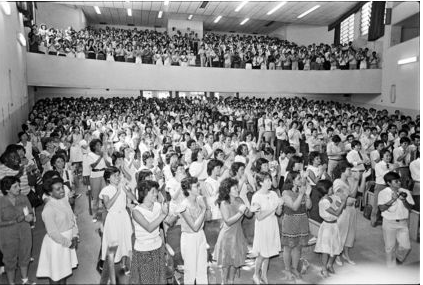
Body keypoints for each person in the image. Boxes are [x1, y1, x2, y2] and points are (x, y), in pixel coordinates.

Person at [36, 177, 78, 284]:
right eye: (58, 189)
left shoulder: (64, 201)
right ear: (50, 192)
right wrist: (68, 243)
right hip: (56, 243)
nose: (62, 190)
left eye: (62, 187)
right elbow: (52, 232)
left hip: (68, 240)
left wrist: (75, 236)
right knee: (55, 275)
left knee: (64, 272)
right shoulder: (48, 209)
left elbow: (72, 220)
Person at [214, 178, 252, 285]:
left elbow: (249, 215)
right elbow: (228, 221)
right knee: (226, 262)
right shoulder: (223, 203)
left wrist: (250, 210)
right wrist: (240, 212)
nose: (237, 190)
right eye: (234, 188)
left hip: (237, 234)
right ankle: (224, 282)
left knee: (235, 261)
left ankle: (231, 281)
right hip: (227, 235)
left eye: (237, 187)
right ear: (228, 190)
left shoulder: (239, 200)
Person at [333, 162, 371, 266]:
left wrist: (363, 178)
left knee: (350, 233)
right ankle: (337, 255)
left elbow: (360, 190)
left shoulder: (349, 180)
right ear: (342, 171)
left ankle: (346, 254)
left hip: (352, 209)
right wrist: (357, 180)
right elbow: (352, 195)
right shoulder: (338, 182)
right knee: (341, 233)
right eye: (349, 170)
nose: (351, 172)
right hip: (343, 210)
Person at [130, 180, 168, 284]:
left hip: (158, 247)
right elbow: (149, 227)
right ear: (145, 193)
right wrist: (163, 215)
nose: (156, 194)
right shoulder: (136, 211)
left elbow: (162, 226)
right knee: (147, 281)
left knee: (160, 280)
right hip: (144, 251)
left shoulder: (157, 206)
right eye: (153, 192)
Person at [99, 167, 135, 275]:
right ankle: (111, 267)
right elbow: (108, 205)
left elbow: (133, 198)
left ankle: (124, 265)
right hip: (113, 219)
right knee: (113, 241)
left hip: (123, 216)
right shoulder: (106, 190)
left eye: (118, 175)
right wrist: (118, 192)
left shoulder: (123, 187)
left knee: (125, 239)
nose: (118, 177)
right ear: (108, 178)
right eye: (114, 175)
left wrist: (125, 190)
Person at [0, 176, 34, 285]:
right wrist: (15, 220)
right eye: (15, 186)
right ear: (7, 189)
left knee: (25, 255)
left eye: (18, 185)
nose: (19, 188)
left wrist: (30, 217)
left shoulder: (23, 198)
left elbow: (30, 213)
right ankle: (11, 283)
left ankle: (25, 280)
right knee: (9, 259)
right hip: (7, 235)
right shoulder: (1, 202)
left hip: (24, 231)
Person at [251, 172, 282, 284]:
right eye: (267, 180)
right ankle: (255, 274)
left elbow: (278, 213)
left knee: (268, 252)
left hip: (272, 224)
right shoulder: (256, 197)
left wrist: (280, 205)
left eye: (270, 180)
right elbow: (258, 217)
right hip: (262, 226)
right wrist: (273, 207)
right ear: (260, 182)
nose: (270, 182)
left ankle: (264, 275)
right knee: (262, 253)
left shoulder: (273, 194)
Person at [378, 171, 414, 267]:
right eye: (396, 181)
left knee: (406, 246)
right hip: (389, 223)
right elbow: (381, 208)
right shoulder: (383, 193)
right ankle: (390, 269)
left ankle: (399, 258)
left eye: (399, 181)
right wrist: (392, 200)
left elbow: (410, 207)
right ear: (389, 183)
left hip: (403, 223)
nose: (399, 183)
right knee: (390, 247)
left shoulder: (405, 192)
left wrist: (404, 200)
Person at [281, 171, 311, 280]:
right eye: (299, 178)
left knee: (298, 246)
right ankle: (287, 269)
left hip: (302, 221)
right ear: (292, 180)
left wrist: (307, 195)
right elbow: (294, 207)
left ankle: (294, 268)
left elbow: (308, 206)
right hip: (290, 222)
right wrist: (301, 194)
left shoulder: (301, 190)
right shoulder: (286, 193)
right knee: (288, 247)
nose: (302, 180)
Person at [178, 176, 208, 285]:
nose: (199, 188)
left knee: (202, 269)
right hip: (189, 238)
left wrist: (205, 208)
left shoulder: (199, 199)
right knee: (190, 272)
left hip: (201, 235)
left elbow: (207, 218)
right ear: (189, 190)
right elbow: (194, 227)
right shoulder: (184, 206)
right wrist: (204, 209)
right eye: (196, 186)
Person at [314, 179, 347, 278]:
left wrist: (341, 200)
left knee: (336, 246)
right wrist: (343, 201)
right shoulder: (324, 202)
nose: (332, 189)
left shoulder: (330, 198)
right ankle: (324, 268)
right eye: (330, 188)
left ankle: (330, 264)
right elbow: (337, 212)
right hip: (327, 227)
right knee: (326, 249)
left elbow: (340, 208)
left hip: (334, 226)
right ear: (325, 190)